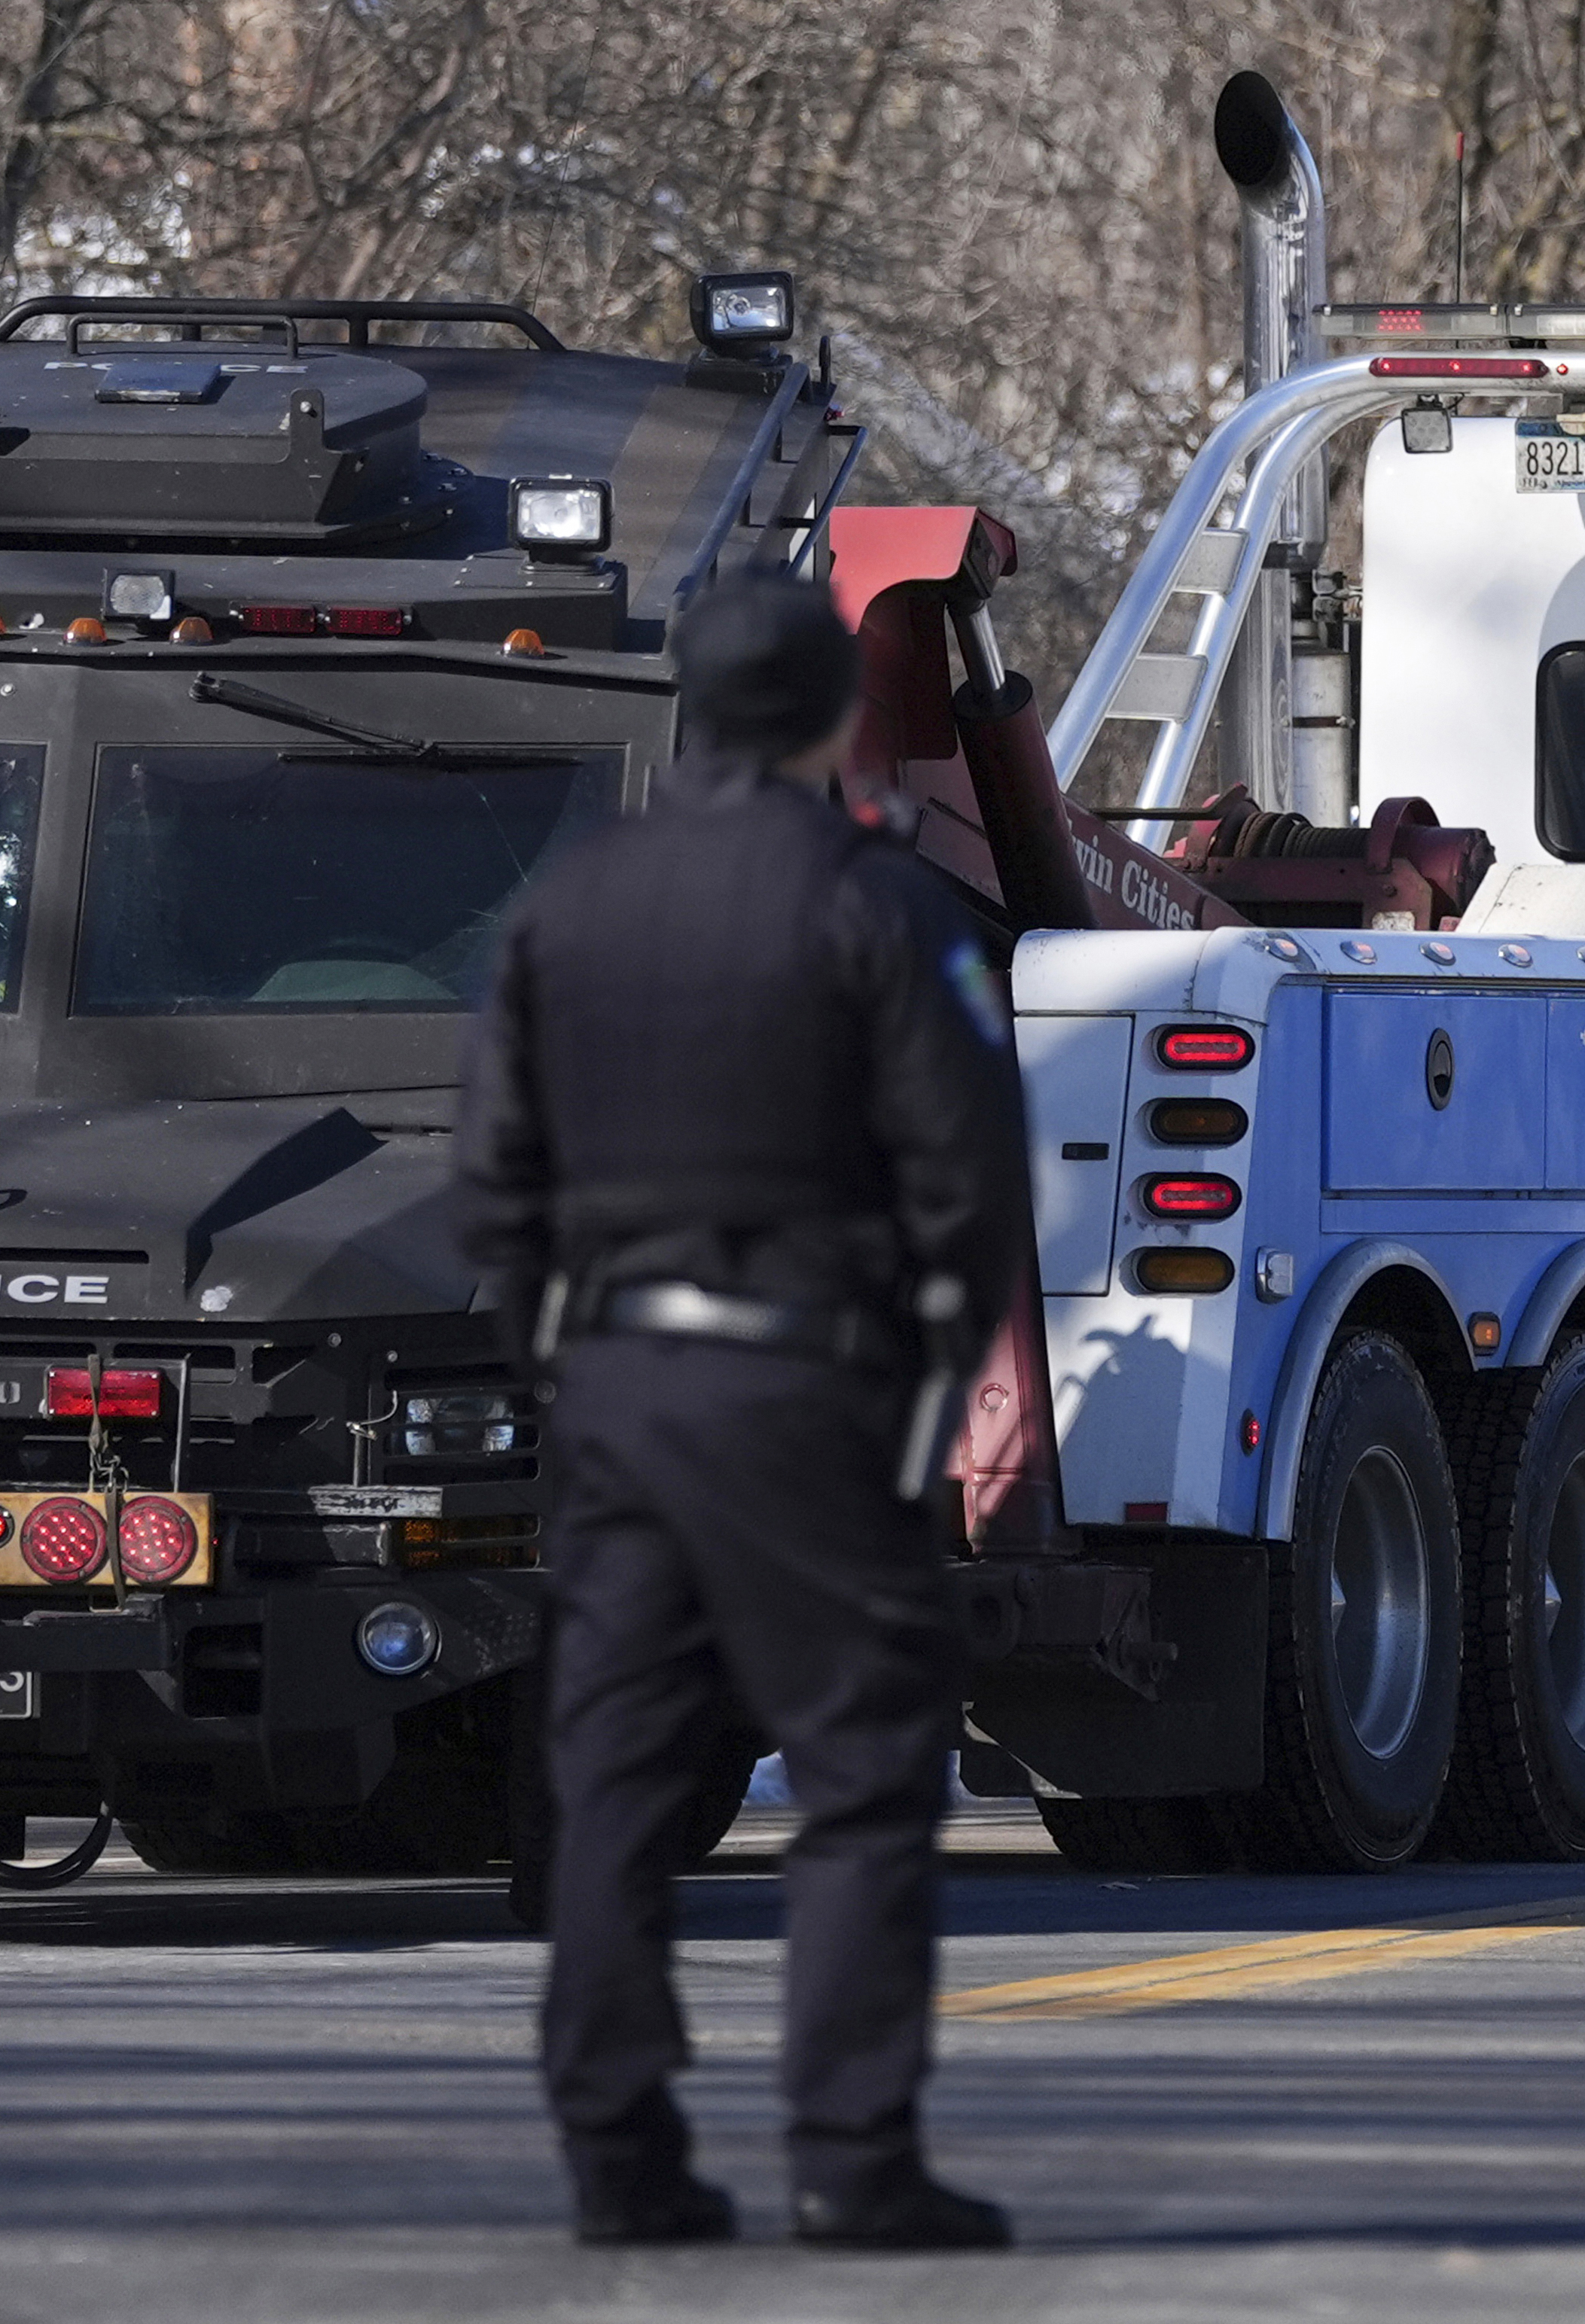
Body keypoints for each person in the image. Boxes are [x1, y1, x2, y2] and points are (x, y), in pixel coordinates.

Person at [456, 570, 1033, 2252]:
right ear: (841, 719)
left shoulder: (568, 908)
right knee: (861, 1767)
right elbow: (966, 1162)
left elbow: (493, 1176)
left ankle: (617, 2152)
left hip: (620, 1384)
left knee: (617, 1772)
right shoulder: (874, 903)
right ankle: (855, 2157)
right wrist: (932, 1379)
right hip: (805, 1375)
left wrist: (560, 1363)